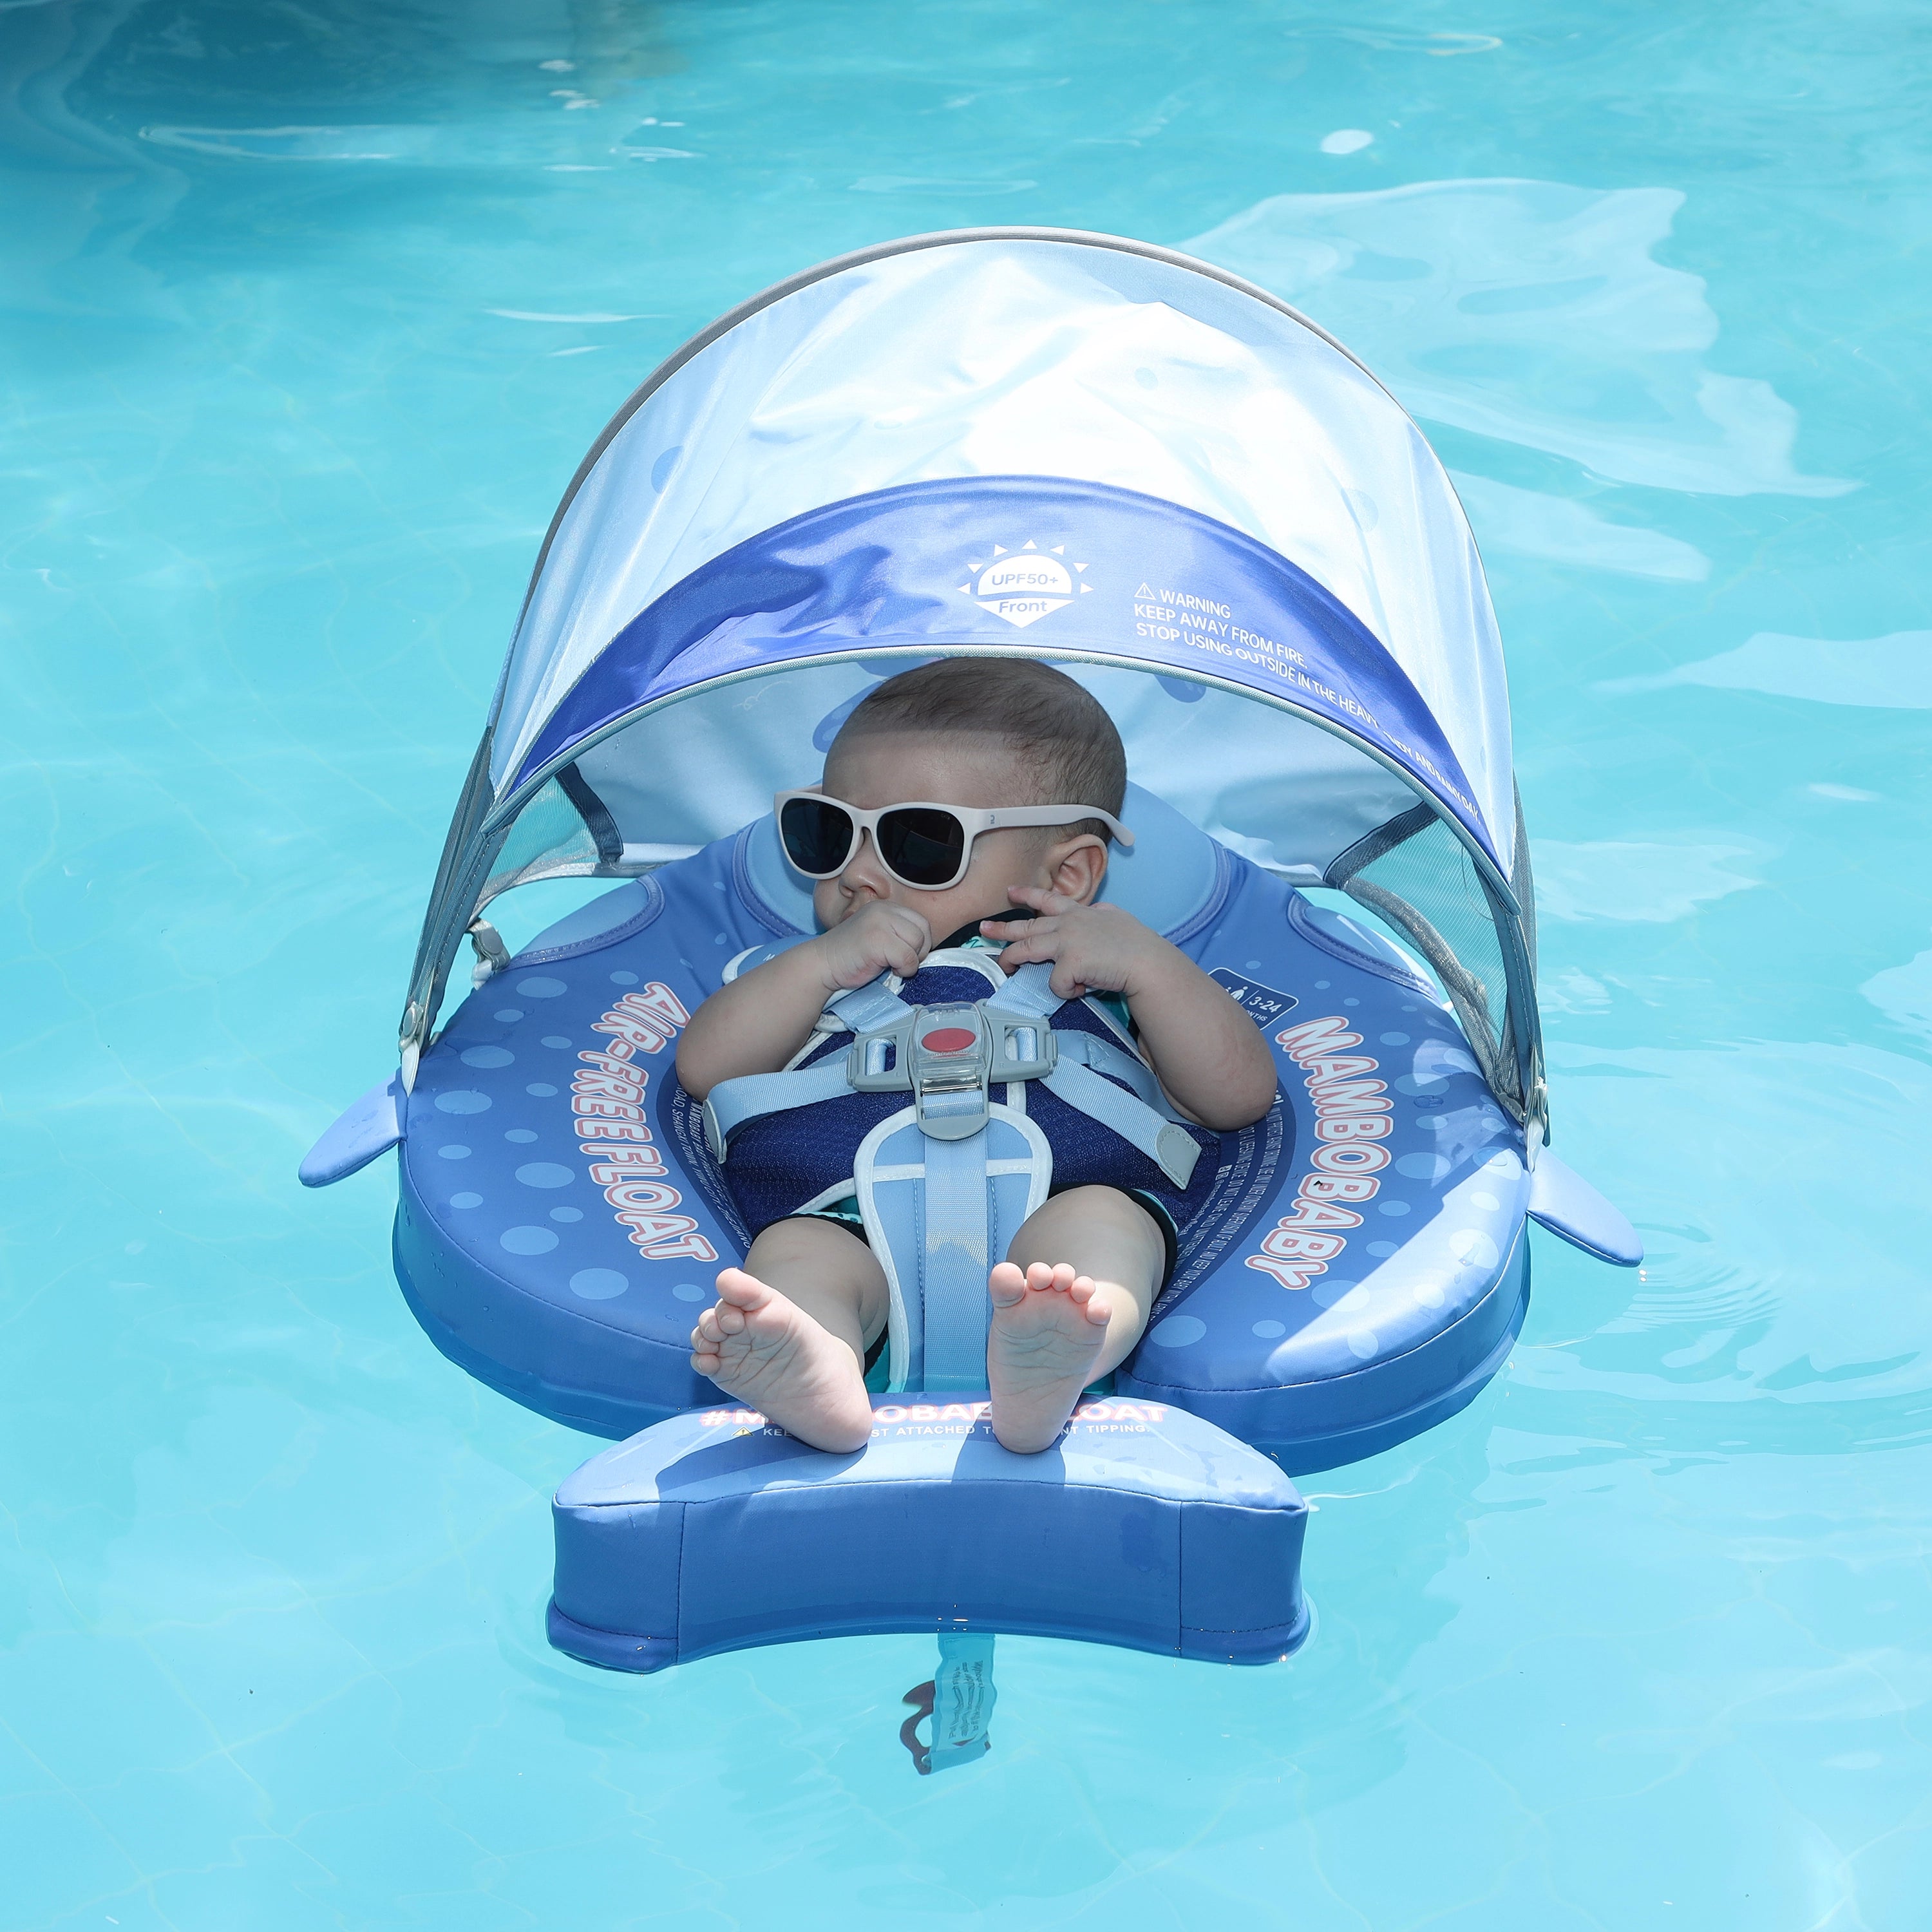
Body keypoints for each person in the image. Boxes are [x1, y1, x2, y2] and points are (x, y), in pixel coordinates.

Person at [676, 658, 1278, 1454]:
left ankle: (1065, 1351)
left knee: (1106, 1230)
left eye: (917, 841)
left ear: (1067, 874)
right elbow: (706, 1072)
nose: (858, 874)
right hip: (846, 1205)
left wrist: (1151, 967)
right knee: (797, 1254)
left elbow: (1235, 1098)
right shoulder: (800, 973)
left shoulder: (1102, 969)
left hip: (1070, 1188)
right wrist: (818, 967)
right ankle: (816, 1361)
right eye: (830, 831)